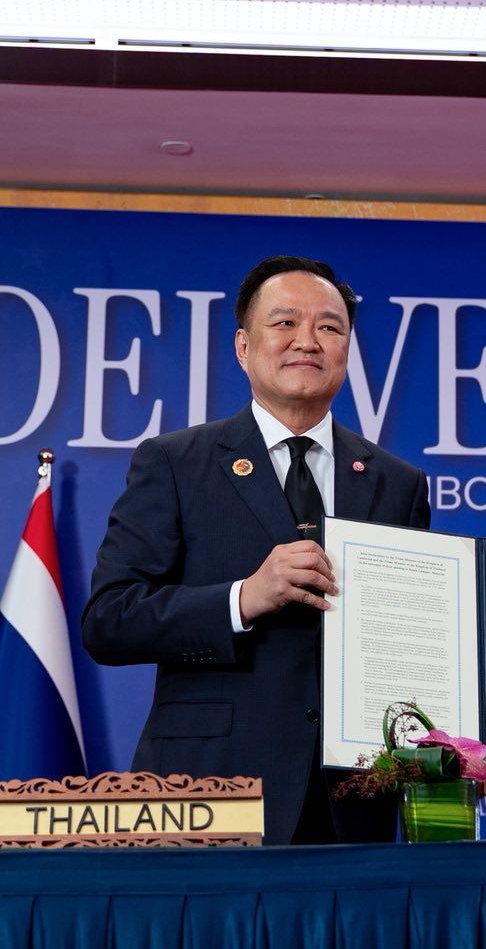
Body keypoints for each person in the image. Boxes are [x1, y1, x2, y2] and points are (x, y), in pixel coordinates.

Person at [81, 254, 431, 845]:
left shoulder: (397, 483)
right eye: (285, 323)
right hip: (208, 790)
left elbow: (417, 643)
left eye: (329, 327)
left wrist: (456, 745)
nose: (308, 342)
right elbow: (109, 621)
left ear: (347, 350)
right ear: (243, 346)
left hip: (351, 799)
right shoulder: (174, 462)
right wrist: (244, 598)